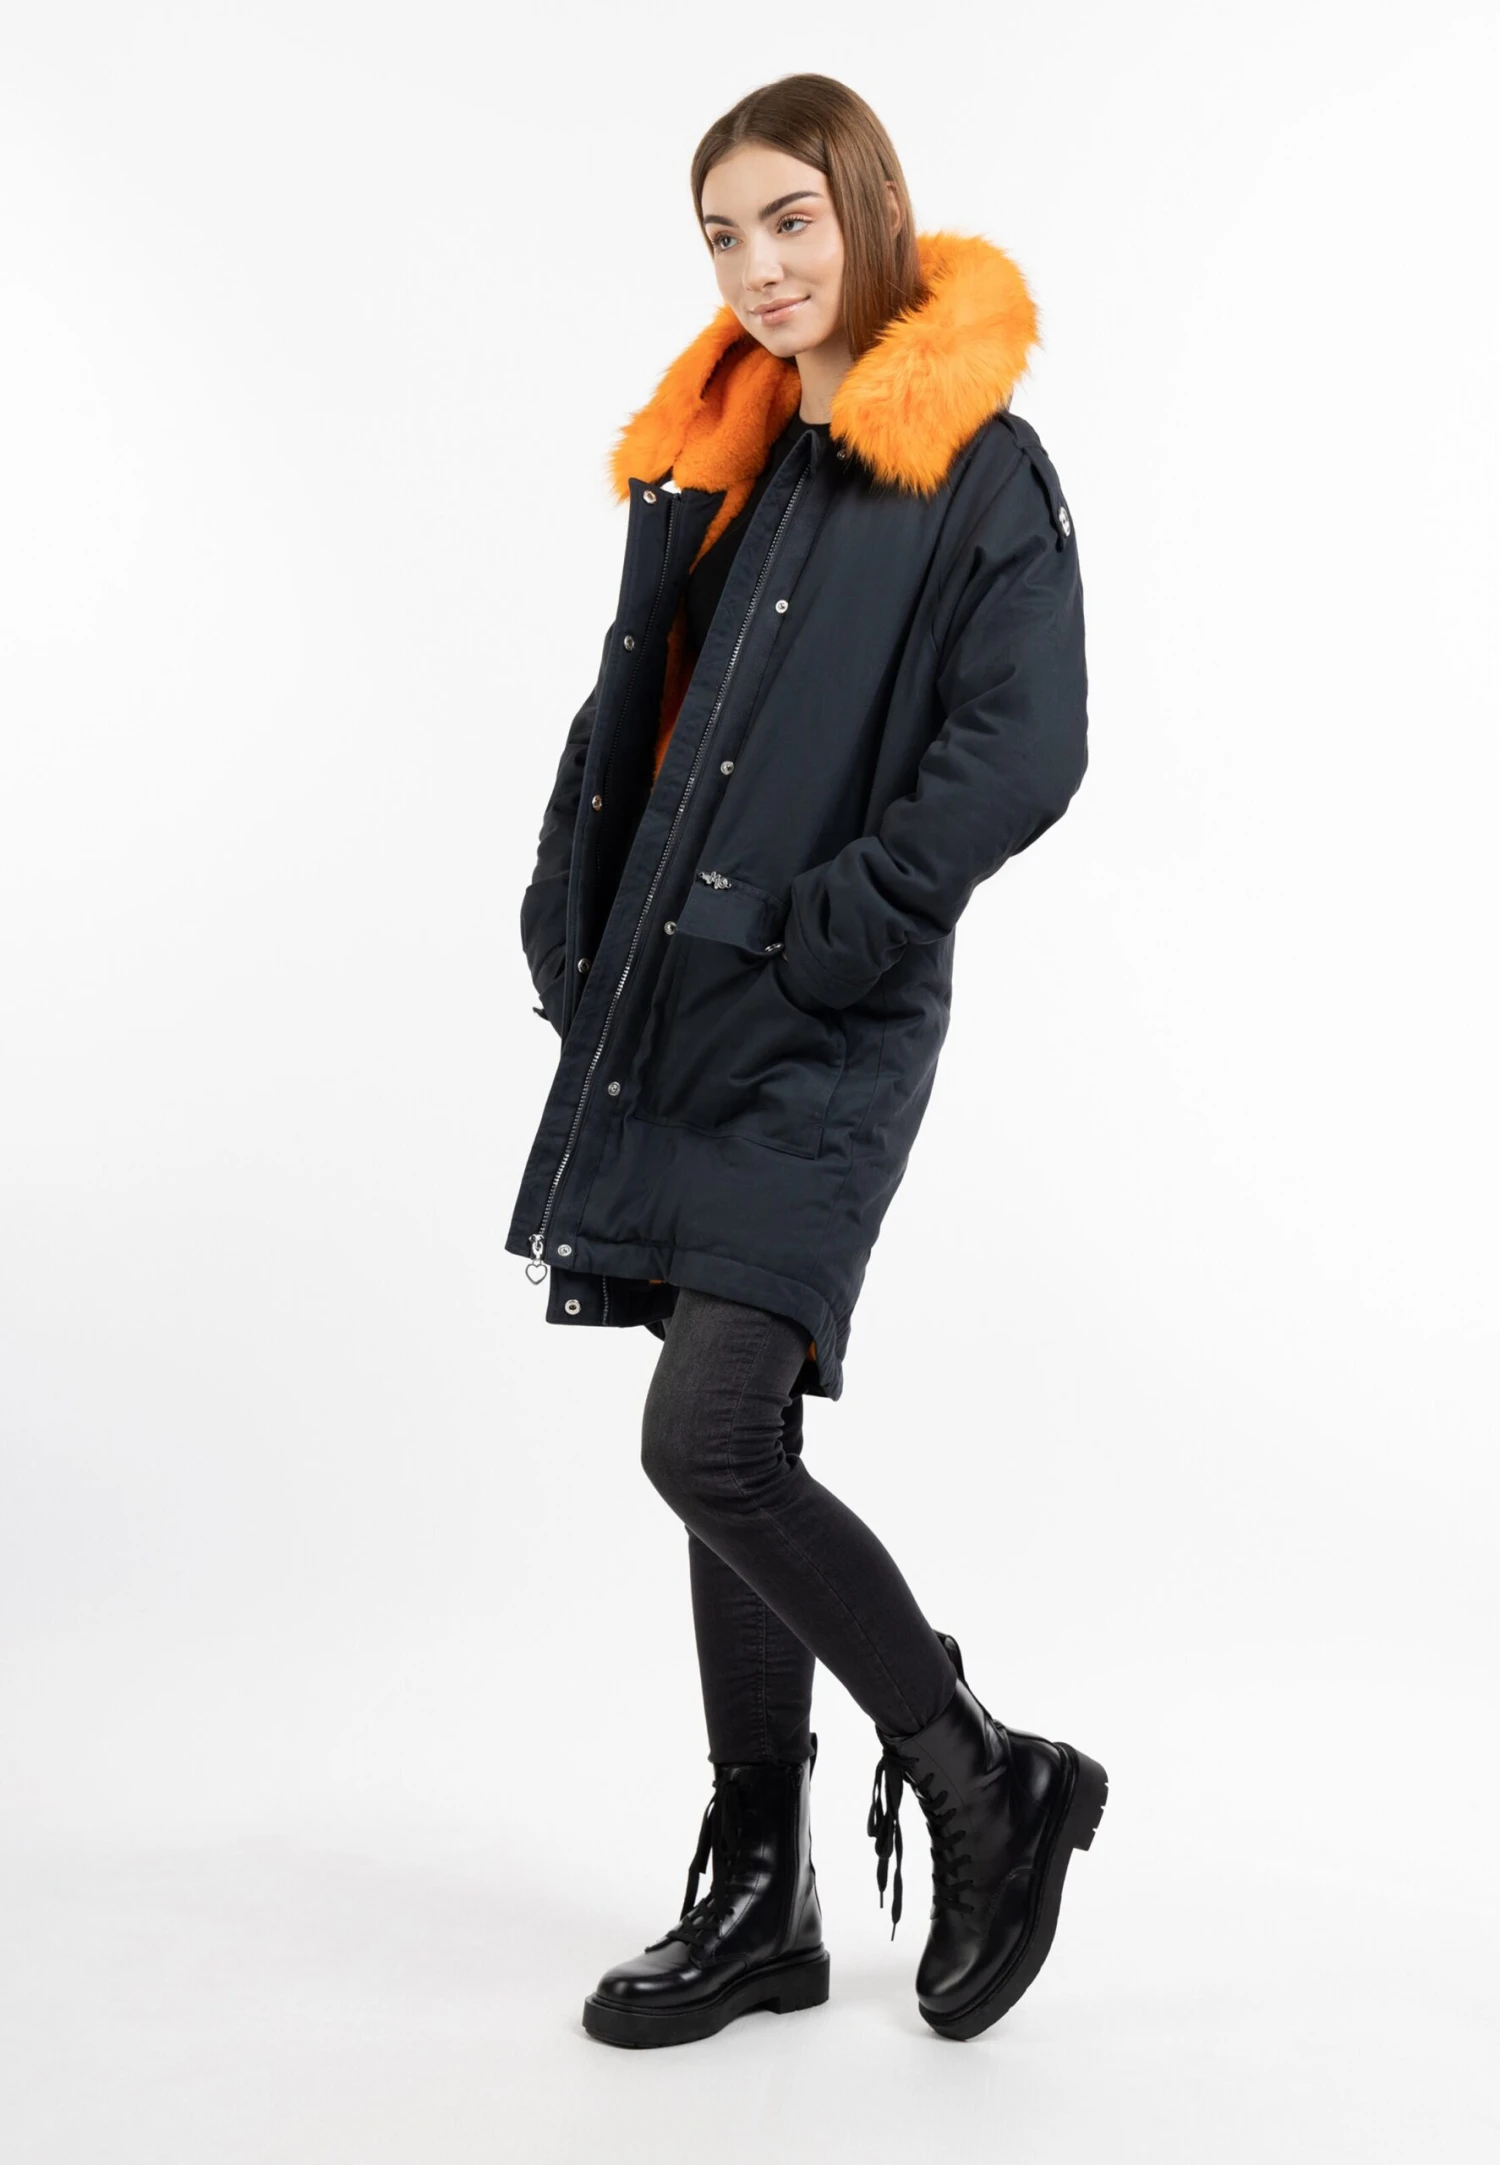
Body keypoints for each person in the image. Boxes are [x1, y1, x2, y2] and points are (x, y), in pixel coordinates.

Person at [508, 72, 1105, 2049]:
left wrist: (840, 924)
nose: (758, 268)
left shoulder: (977, 468)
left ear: (866, 208)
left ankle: (981, 1773)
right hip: (682, 1008)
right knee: (725, 1441)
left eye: (790, 220)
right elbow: (652, 717)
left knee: (709, 1439)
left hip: (820, 1024)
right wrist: (577, 902)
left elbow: (1023, 747)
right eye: (722, 235)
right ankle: (760, 1884)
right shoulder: (738, 455)